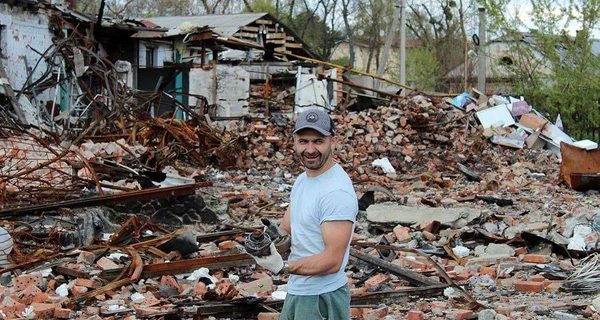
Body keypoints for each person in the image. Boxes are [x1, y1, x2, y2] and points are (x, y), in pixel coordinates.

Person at [249, 108, 359, 319]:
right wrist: (271, 239)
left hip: (322, 297)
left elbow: (333, 260)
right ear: (294, 142)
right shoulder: (302, 181)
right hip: (298, 291)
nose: (310, 149)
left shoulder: (336, 192)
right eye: (304, 141)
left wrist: (283, 267)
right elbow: (288, 231)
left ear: (332, 141)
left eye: (318, 141)